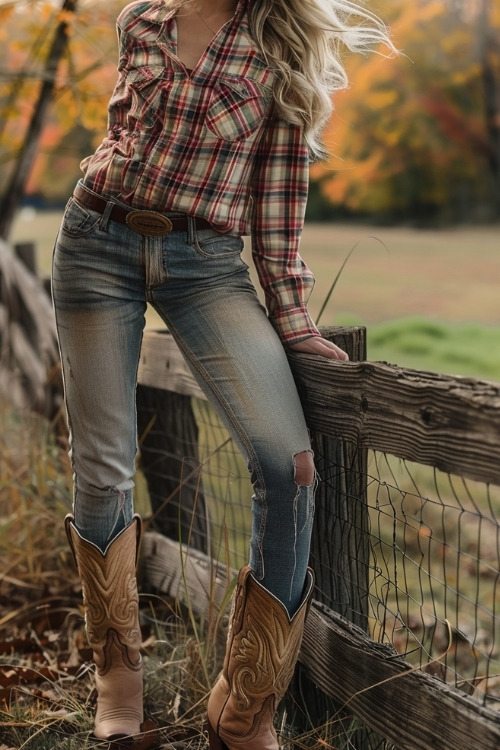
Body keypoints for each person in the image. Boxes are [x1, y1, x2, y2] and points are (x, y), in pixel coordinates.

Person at [52, 0, 393, 744]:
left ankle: (245, 705)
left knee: (290, 464)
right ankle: (119, 684)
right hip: (94, 243)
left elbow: (276, 198)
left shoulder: (279, 45)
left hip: (204, 266)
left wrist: (291, 311)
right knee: (102, 464)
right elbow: (122, 131)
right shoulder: (143, 19)